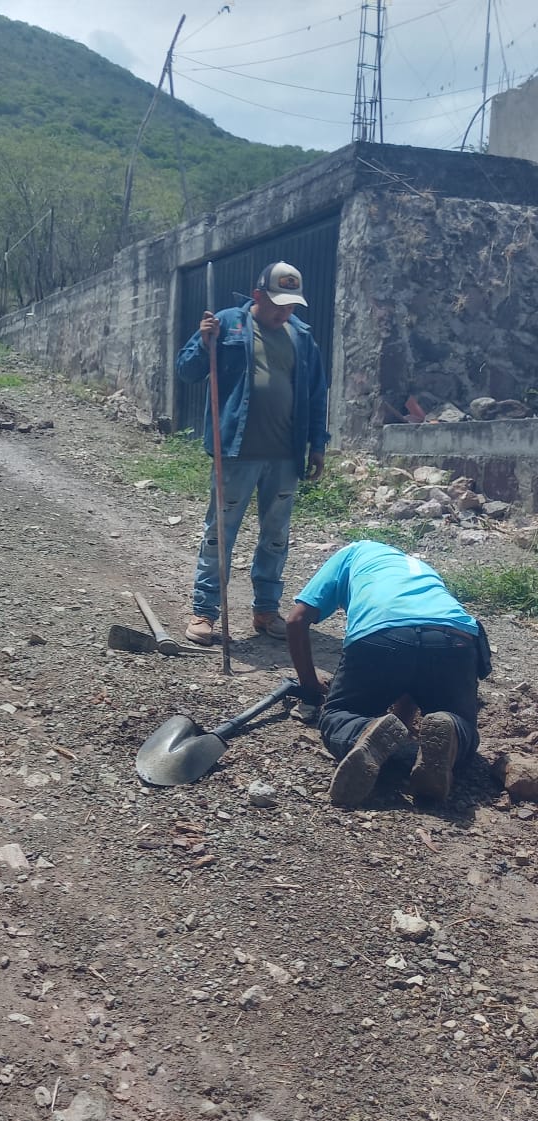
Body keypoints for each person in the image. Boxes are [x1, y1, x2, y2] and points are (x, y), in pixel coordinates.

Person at [177, 261, 329, 645]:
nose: (285, 312)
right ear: (258, 295)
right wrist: (202, 341)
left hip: (285, 455)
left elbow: (315, 395)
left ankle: (265, 610)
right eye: (278, 303)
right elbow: (187, 371)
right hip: (236, 452)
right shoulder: (227, 323)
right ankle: (205, 611)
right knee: (221, 532)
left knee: (276, 535)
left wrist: (318, 446)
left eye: (291, 305)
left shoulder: (302, 336)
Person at [286, 541, 487, 807]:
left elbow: (296, 620)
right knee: (460, 723)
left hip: (382, 634)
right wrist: (400, 720)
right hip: (453, 639)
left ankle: (360, 732)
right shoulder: (422, 569)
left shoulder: (352, 552)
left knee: (338, 716)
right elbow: (416, 660)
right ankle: (450, 733)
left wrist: (310, 687)